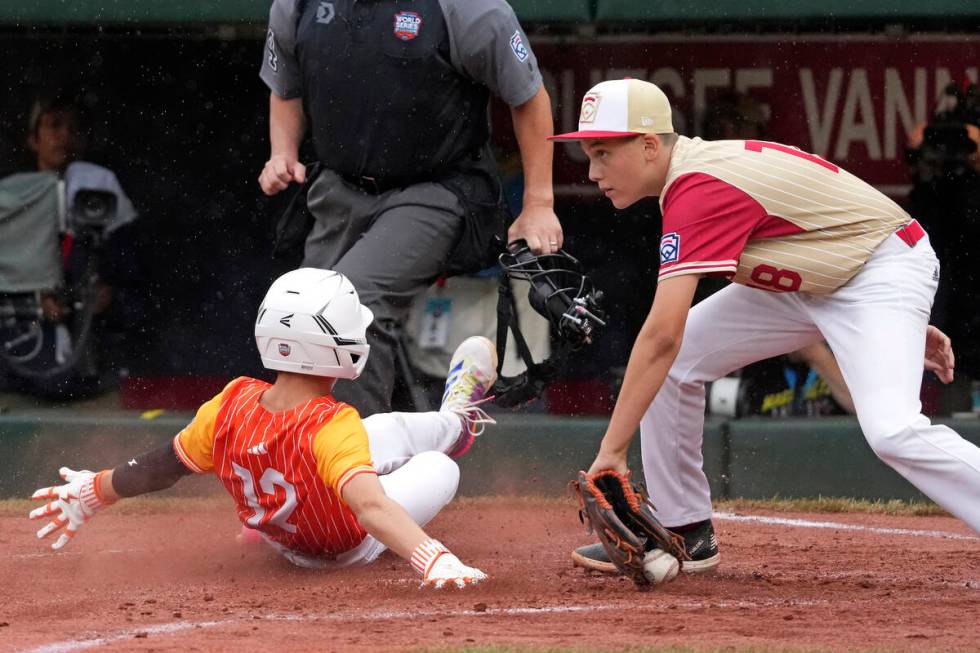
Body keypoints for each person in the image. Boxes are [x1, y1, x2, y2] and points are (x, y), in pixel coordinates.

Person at [548, 78, 976, 575]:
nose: (594, 171)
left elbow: (662, 334)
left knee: (892, 431)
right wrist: (886, 331)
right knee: (677, 367)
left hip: (876, 270)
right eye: (588, 155)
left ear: (648, 146)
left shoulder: (697, 186)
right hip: (820, 276)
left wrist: (611, 451)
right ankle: (686, 531)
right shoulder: (689, 176)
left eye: (603, 153)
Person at [29, 268, 497, 588]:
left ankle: (454, 424)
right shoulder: (333, 423)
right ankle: (456, 425)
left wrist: (96, 490)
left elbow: (163, 466)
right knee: (436, 465)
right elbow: (371, 509)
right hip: (346, 547)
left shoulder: (231, 400)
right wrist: (432, 557)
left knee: (381, 430)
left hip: (285, 539)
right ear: (334, 345)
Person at [257, 0, 561, 415]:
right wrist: (283, 151)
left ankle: (358, 460)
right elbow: (285, 86)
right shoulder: (296, 5)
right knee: (304, 315)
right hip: (341, 186)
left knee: (352, 306)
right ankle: (401, 438)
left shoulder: (469, 9)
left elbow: (528, 97)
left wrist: (539, 203)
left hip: (436, 187)